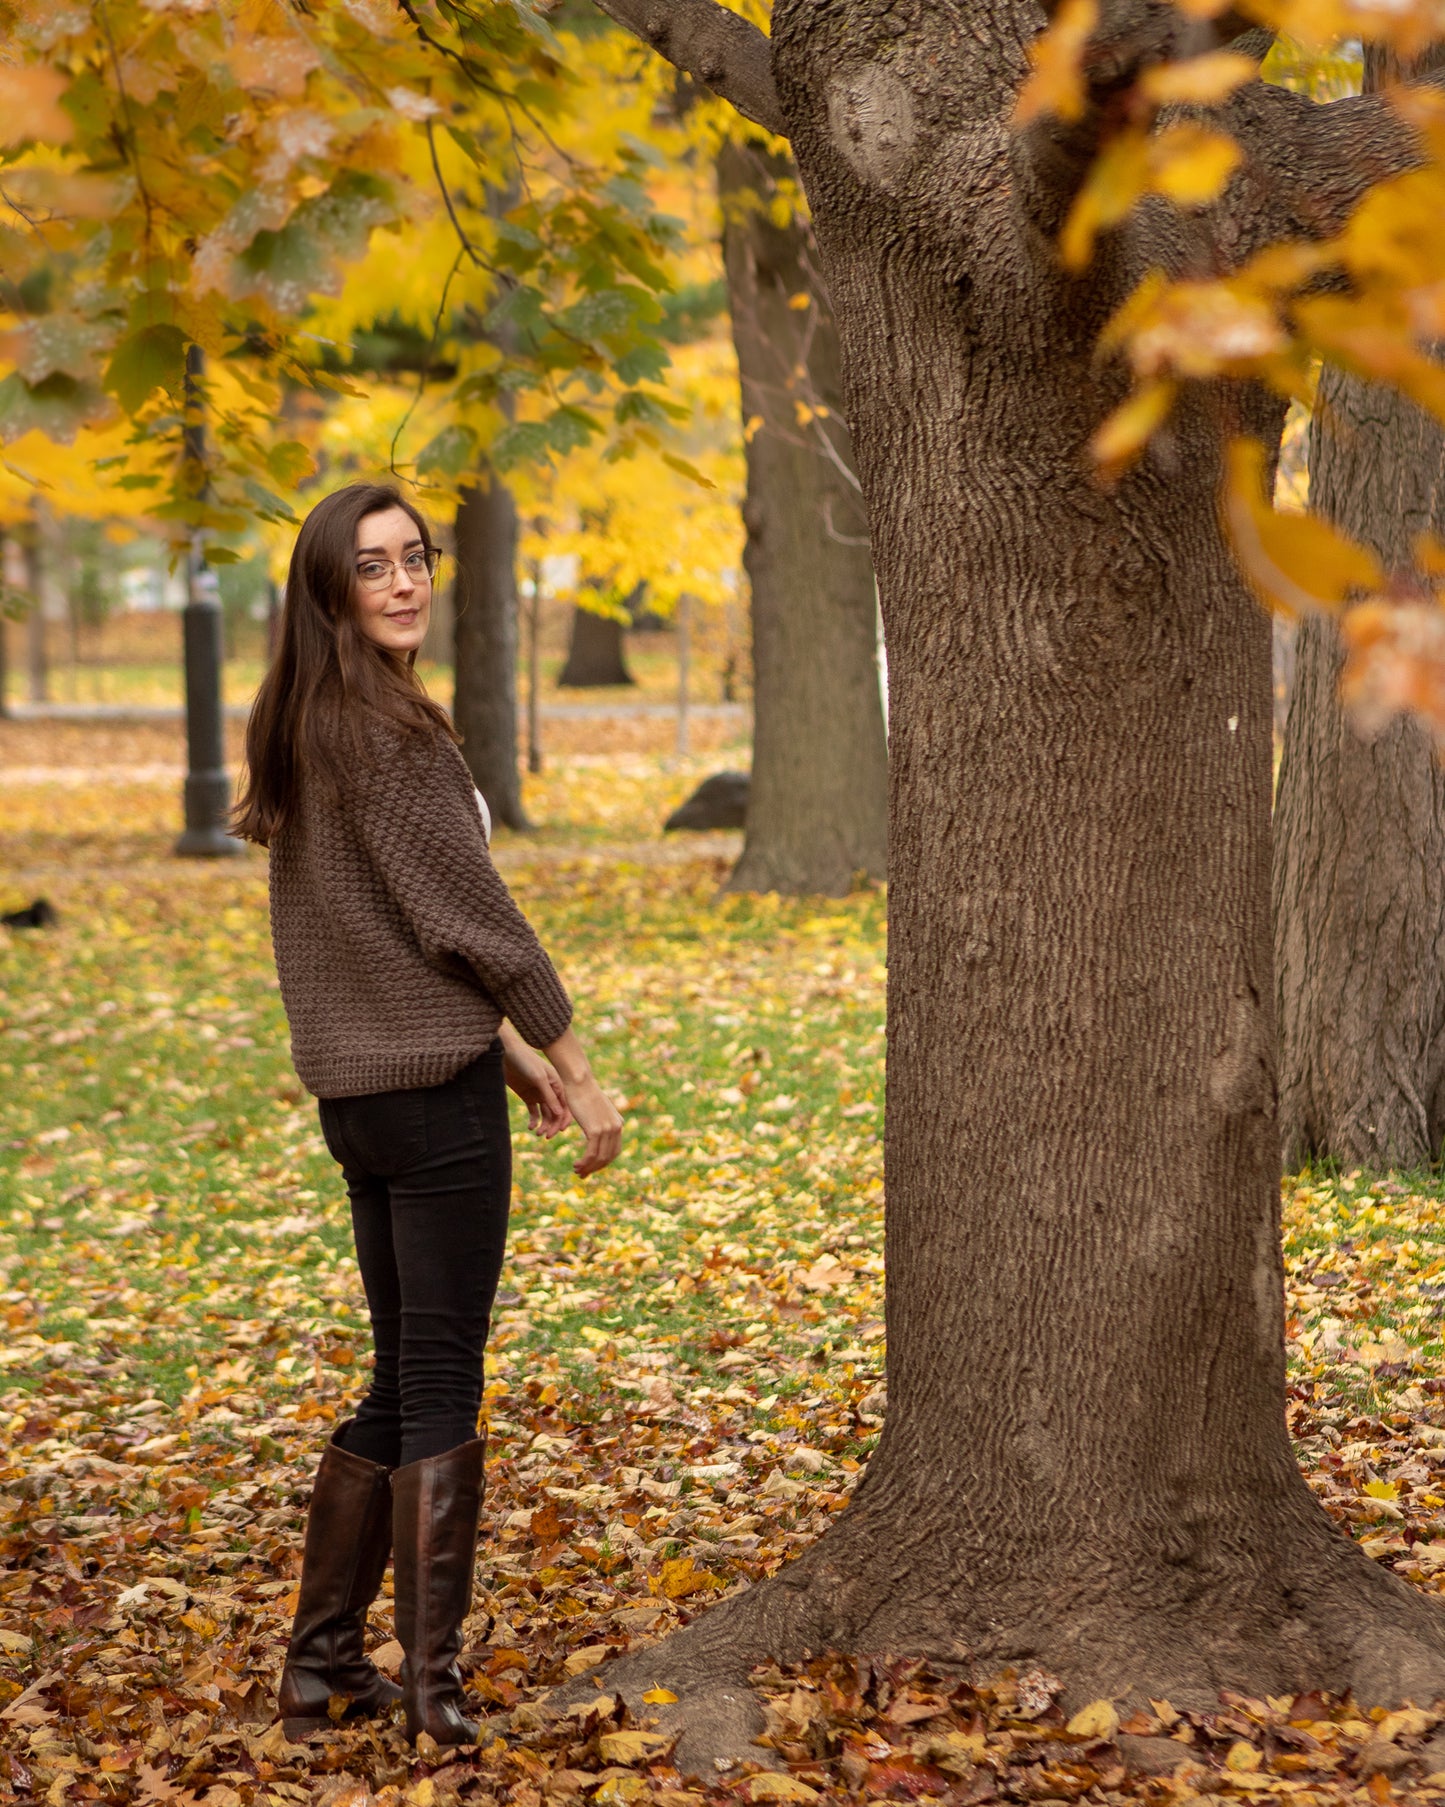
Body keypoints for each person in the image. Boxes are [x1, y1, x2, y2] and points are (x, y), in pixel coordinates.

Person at [234, 482, 623, 1747]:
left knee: (404, 1372)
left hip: (363, 1104)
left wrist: (510, 1062)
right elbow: (472, 925)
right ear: (330, 589)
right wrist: (571, 1054)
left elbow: (387, 942)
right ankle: (431, 1689)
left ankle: (320, 1666)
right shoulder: (391, 737)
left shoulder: (310, 722)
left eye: (417, 557)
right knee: (441, 1376)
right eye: (373, 565)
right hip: (427, 1111)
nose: (403, 581)